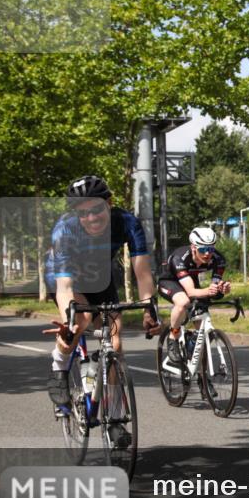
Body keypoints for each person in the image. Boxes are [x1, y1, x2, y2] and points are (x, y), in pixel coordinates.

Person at [43, 175, 160, 447]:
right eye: (83, 213)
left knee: (115, 343)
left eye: (96, 209)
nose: (91, 218)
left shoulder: (127, 222)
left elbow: (142, 273)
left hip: (102, 279)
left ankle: (116, 418)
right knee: (80, 320)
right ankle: (58, 368)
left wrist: (149, 309)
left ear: (110, 203)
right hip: (66, 279)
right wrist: (69, 317)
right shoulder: (65, 230)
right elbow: (64, 287)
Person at [157, 226, 231, 363]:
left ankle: (200, 373)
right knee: (183, 302)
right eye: (203, 249)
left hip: (190, 279)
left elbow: (214, 285)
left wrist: (222, 289)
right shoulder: (179, 258)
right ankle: (173, 338)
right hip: (170, 281)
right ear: (193, 247)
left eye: (211, 249)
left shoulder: (218, 259)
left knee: (200, 329)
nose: (208, 253)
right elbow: (190, 291)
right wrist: (208, 291)